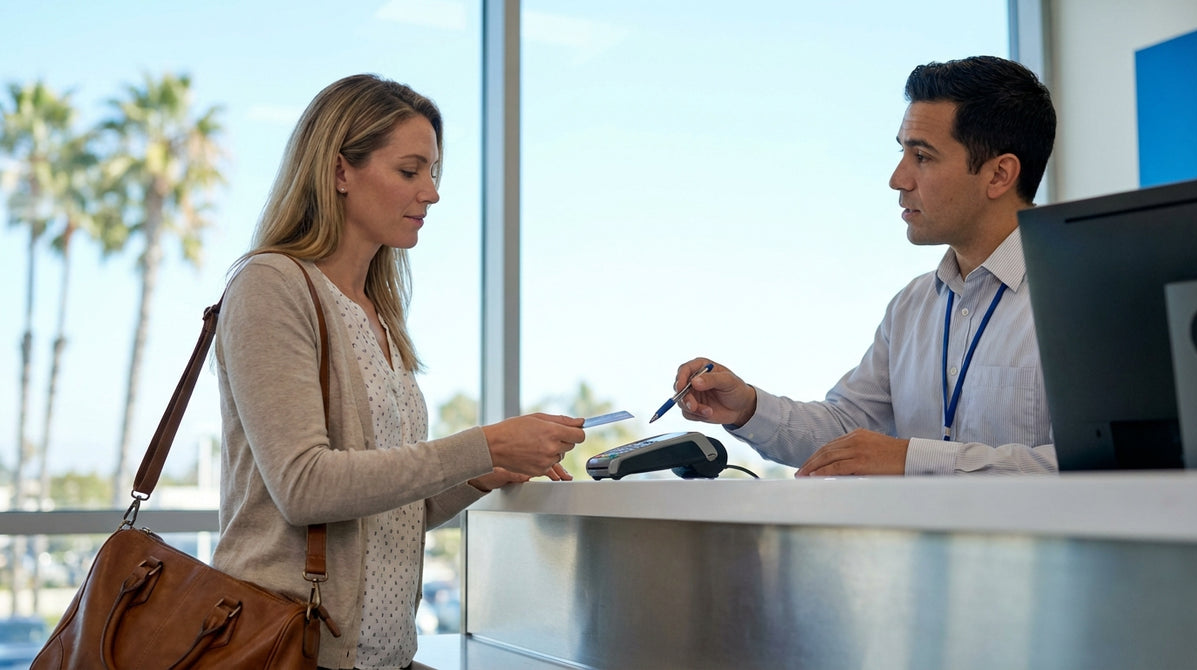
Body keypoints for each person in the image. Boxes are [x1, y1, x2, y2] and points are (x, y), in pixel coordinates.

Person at [210, 74, 585, 670]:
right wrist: (482, 443)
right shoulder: (270, 286)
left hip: (383, 655)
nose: (431, 193)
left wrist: (479, 474)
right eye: (410, 171)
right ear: (339, 171)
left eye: (434, 172)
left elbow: (386, 508)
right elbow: (304, 488)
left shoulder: (378, 312)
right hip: (291, 651)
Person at [671, 56, 1058, 476]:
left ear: (999, 175)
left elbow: (1109, 466)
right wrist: (747, 407)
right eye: (902, 152)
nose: (898, 178)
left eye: (922, 157)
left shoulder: (1084, 298)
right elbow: (844, 433)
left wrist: (912, 460)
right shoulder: (911, 306)